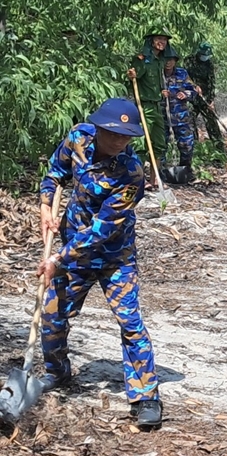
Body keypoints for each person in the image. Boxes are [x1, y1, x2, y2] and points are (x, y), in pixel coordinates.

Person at [37, 98, 163, 427]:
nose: (118, 141)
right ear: (99, 128)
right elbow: (54, 175)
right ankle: (56, 372)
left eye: (126, 136)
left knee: (130, 323)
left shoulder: (130, 174)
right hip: (71, 250)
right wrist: (45, 207)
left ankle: (145, 396)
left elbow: (101, 231)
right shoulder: (79, 139)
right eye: (113, 134)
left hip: (113, 256)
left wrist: (57, 259)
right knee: (52, 317)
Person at [127, 28, 174, 177]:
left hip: (157, 106)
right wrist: (131, 75)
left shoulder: (160, 61)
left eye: (164, 40)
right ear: (151, 41)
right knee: (140, 143)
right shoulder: (142, 59)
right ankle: (137, 179)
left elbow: (154, 82)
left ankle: (154, 180)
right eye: (158, 39)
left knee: (159, 144)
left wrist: (161, 92)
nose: (162, 42)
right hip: (144, 106)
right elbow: (135, 76)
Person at [184, 42, 225, 156]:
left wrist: (211, 100)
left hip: (205, 98)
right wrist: (193, 85)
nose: (205, 57)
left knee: (212, 122)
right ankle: (195, 150)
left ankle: (220, 151)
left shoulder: (209, 65)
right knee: (190, 121)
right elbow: (184, 76)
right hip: (191, 97)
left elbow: (212, 83)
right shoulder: (189, 60)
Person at [162, 51, 197, 183]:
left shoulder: (182, 73)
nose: (168, 62)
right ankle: (161, 173)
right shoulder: (157, 74)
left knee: (187, 144)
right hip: (162, 116)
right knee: (161, 146)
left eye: (171, 60)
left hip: (181, 117)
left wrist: (185, 94)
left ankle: (185, 171)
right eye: (166, 59)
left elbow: (193, 90)